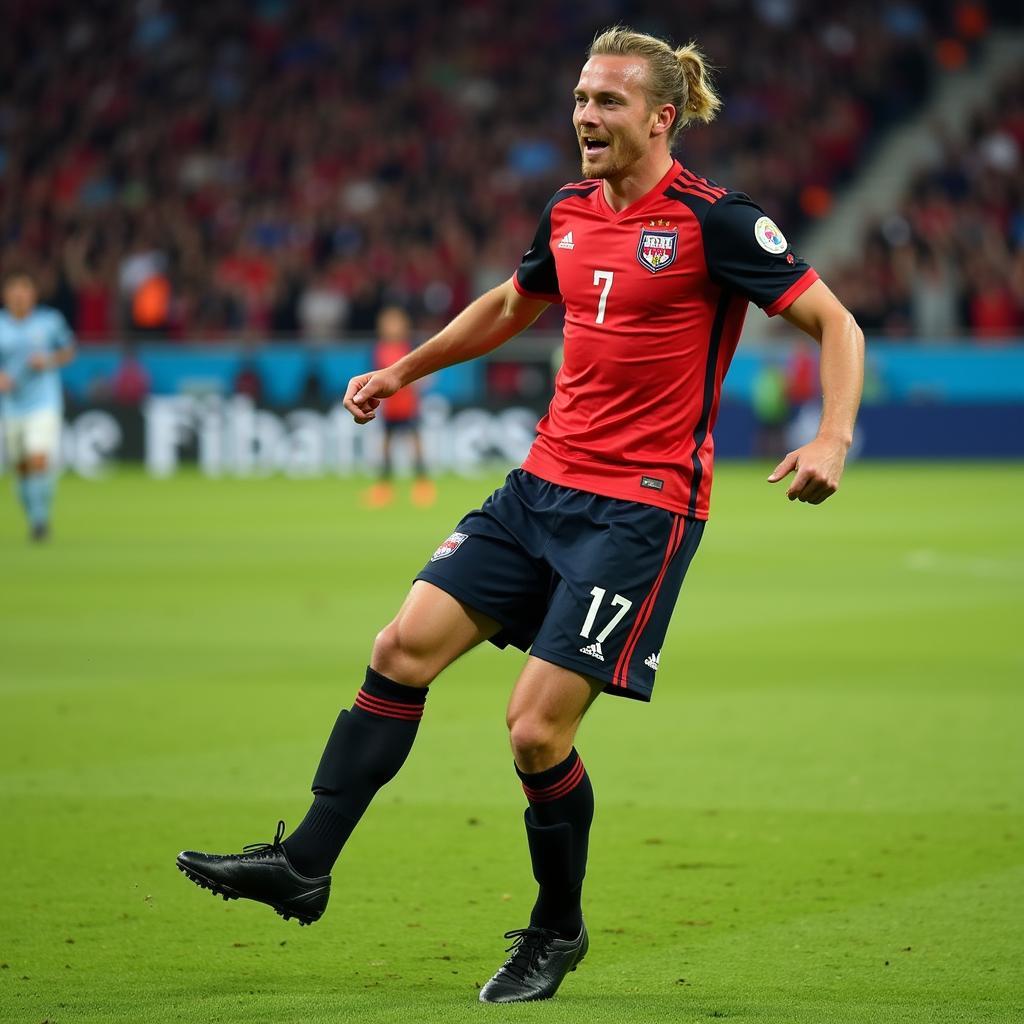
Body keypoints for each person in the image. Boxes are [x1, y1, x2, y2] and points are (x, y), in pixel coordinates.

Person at [177, 27, 864, 1004]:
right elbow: (511, 302)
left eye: (608, 102)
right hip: (538, 489)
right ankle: (306, 866)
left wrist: (831, 435)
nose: (585, 116)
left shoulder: (715, 222)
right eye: (582, 98)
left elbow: (834, 320)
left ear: (661, 117)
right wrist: (403, 369)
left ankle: (555, 925)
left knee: (534, 733)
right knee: (400, 645)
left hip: (638, 512)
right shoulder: (571, 211)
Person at [0, 269, 76, 541]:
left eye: (24, 289)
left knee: (38, 459)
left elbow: (69, 350)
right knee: (21, 470)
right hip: (10, 407)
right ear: (6, 295)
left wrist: (49, 361)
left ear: (33, 294)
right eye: (13, 290)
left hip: (44, 403)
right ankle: (34, 514)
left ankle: (40, 521)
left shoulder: (50, 322)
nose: (19, 295)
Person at [363, 305, 436, 509]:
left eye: (395, 322)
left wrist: (418, 383)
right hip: (390, 408)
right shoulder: (379, 349)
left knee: (415, 444)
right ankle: (384, 487)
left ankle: (422, 485)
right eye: (388, 323)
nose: (392, 327)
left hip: (409, 406)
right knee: (386, 446)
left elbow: (426, 373)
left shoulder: (410, 347)